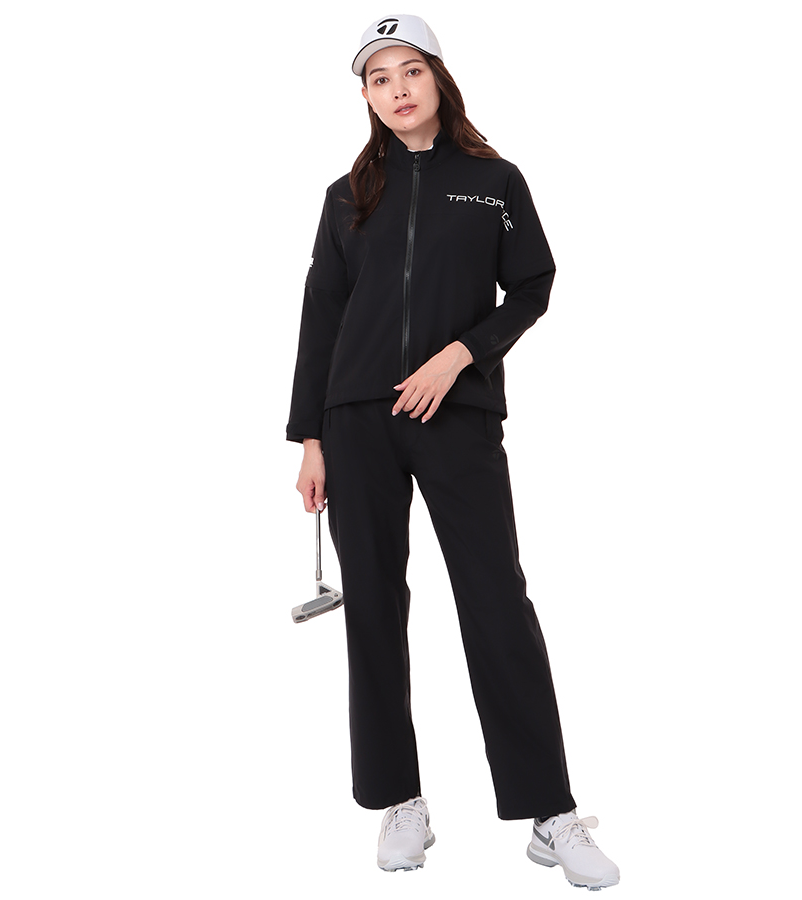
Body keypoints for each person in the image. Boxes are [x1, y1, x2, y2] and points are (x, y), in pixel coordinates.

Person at [287, 14, 620, 890]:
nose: (396, 89)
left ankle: (549, 812)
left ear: (438, 77)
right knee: (373, 607)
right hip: (356, 420)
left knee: (495, 601)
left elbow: (534, 284)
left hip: (455, 413)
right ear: (365, 96)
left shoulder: (493, 180)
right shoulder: (347, 194)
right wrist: (311, 436)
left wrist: (460, 354)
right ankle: (399, 801)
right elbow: (322, 315)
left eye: (410, 71)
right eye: (378, 78)